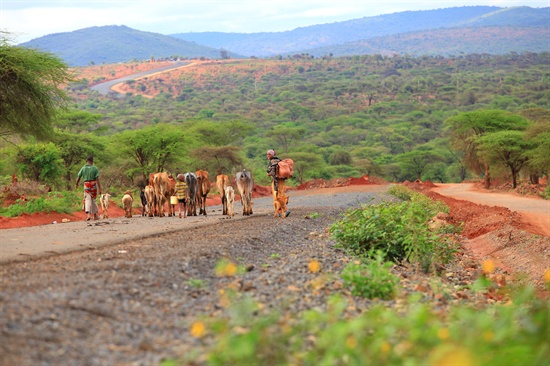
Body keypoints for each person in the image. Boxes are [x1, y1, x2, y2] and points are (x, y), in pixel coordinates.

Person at [75, 155, 102, 221]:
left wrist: (77, 184)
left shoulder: (83, 168)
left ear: (86, 161)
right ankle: (95, 215)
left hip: (86, 185)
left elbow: (78, 177)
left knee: (87, 199)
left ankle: (88, 215)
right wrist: (99, 188)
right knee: (93, 199)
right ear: (92, 161)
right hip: (93, 185)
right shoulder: (95, 168)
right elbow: (97, 179)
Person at [266, 149, 290, 218]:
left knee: (277, 196)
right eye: (267, 154)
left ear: (272, 155)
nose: (268, 156)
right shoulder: (279, 160)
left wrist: (268, 174)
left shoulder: (272, 161)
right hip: (282, 181)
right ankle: (279, 212)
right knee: (281, 194)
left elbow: (272, 172)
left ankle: (285, 210)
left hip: (276, 181)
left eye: (269, 154)